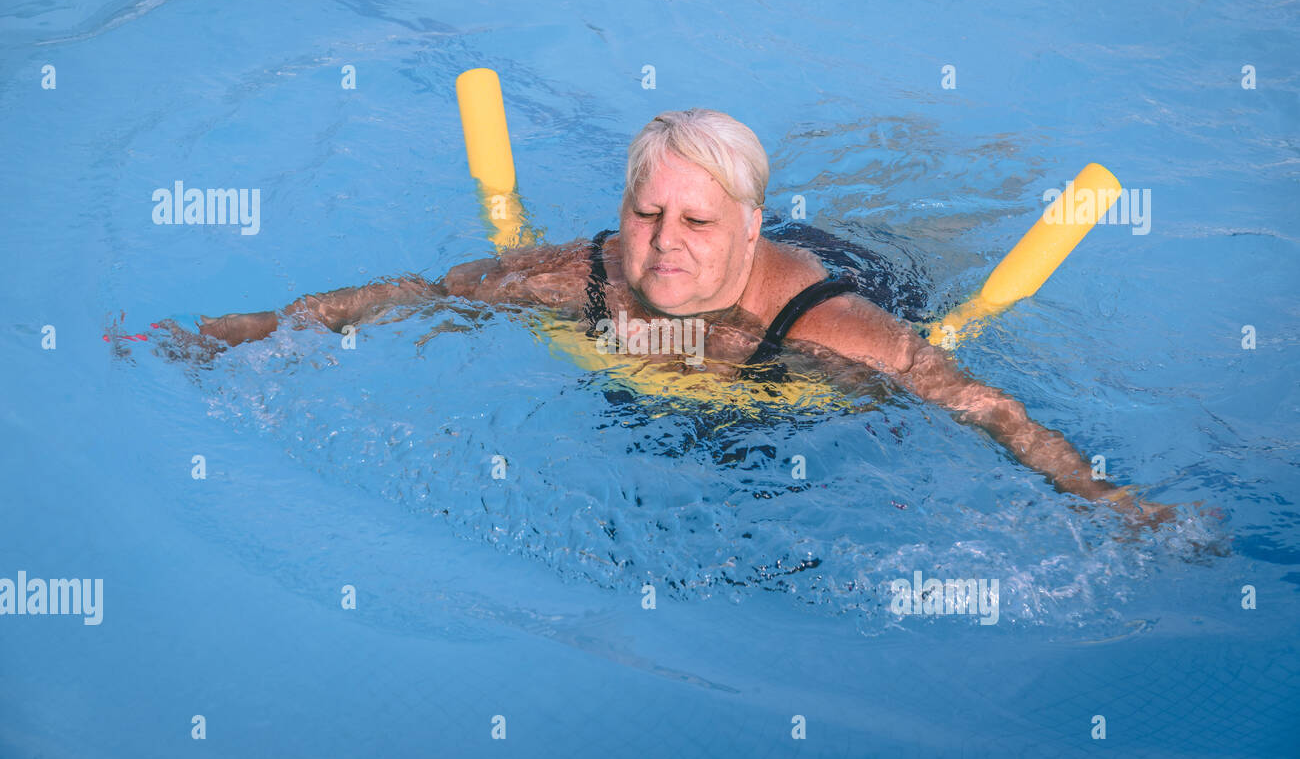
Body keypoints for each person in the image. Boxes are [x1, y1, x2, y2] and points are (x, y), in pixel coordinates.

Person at [169, 108, 1175, 526]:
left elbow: (983, 406)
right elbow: (422, 293)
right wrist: (258, 327)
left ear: (743, 229)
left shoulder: (834, 325)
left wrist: (1106, 497)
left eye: (694, 220)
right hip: (707, 331)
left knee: (926, 253)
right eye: (645, 213)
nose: (663, 243)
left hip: (855, 274)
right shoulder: (586, 272)